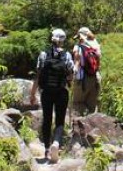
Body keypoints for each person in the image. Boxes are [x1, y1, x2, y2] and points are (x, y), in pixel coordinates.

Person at [29, 28, 74, 163]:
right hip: (61, 92)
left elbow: (38, 76)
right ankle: (56, 143)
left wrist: (32, 94)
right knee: (60, 120)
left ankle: (47, 149)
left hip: (46, 92)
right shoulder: (67, 56)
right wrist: (69, 82)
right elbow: (71, 74)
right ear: (63, 41)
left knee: (47, 119)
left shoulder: (43, 54)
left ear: (52, 39)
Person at [72, 26, 102, 116]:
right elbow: (98, 63)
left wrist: (73, 76)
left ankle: (78, 126)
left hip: (82, 79)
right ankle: (92, 127)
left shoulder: (77, 47)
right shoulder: (96, 46)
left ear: (81, 37)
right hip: (95, 78)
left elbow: (76, 63)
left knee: (77, 103)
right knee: (92, 107)